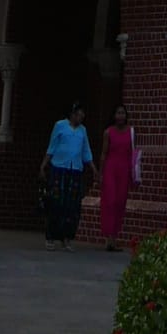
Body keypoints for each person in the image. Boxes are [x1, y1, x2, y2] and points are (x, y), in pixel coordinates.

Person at [39, 99, 94, 246]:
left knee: (72, 205)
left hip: (75, 169)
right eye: (78, 114)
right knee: (56, 202)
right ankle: (51, 236)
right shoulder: (60, 126)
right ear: (72, 114)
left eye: (82, 114)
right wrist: (44, 165)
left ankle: (67, 237)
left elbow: (86, 151)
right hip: (59, 168)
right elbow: (52, 146)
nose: (81, 117)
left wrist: (93, 169)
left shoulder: (83, 130)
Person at [98, 102, 138, 249]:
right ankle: (108, 237)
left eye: (123, 113)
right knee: (111, 201)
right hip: (111, 169)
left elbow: (134, 154)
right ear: (114, 116)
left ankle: (115, 237)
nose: (120, 116)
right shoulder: (108, 132)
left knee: (120, 203)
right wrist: (101, 173)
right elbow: (103, 153)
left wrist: (135, 174)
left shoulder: (132, 132)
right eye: (118, 113)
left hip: (124, 170)